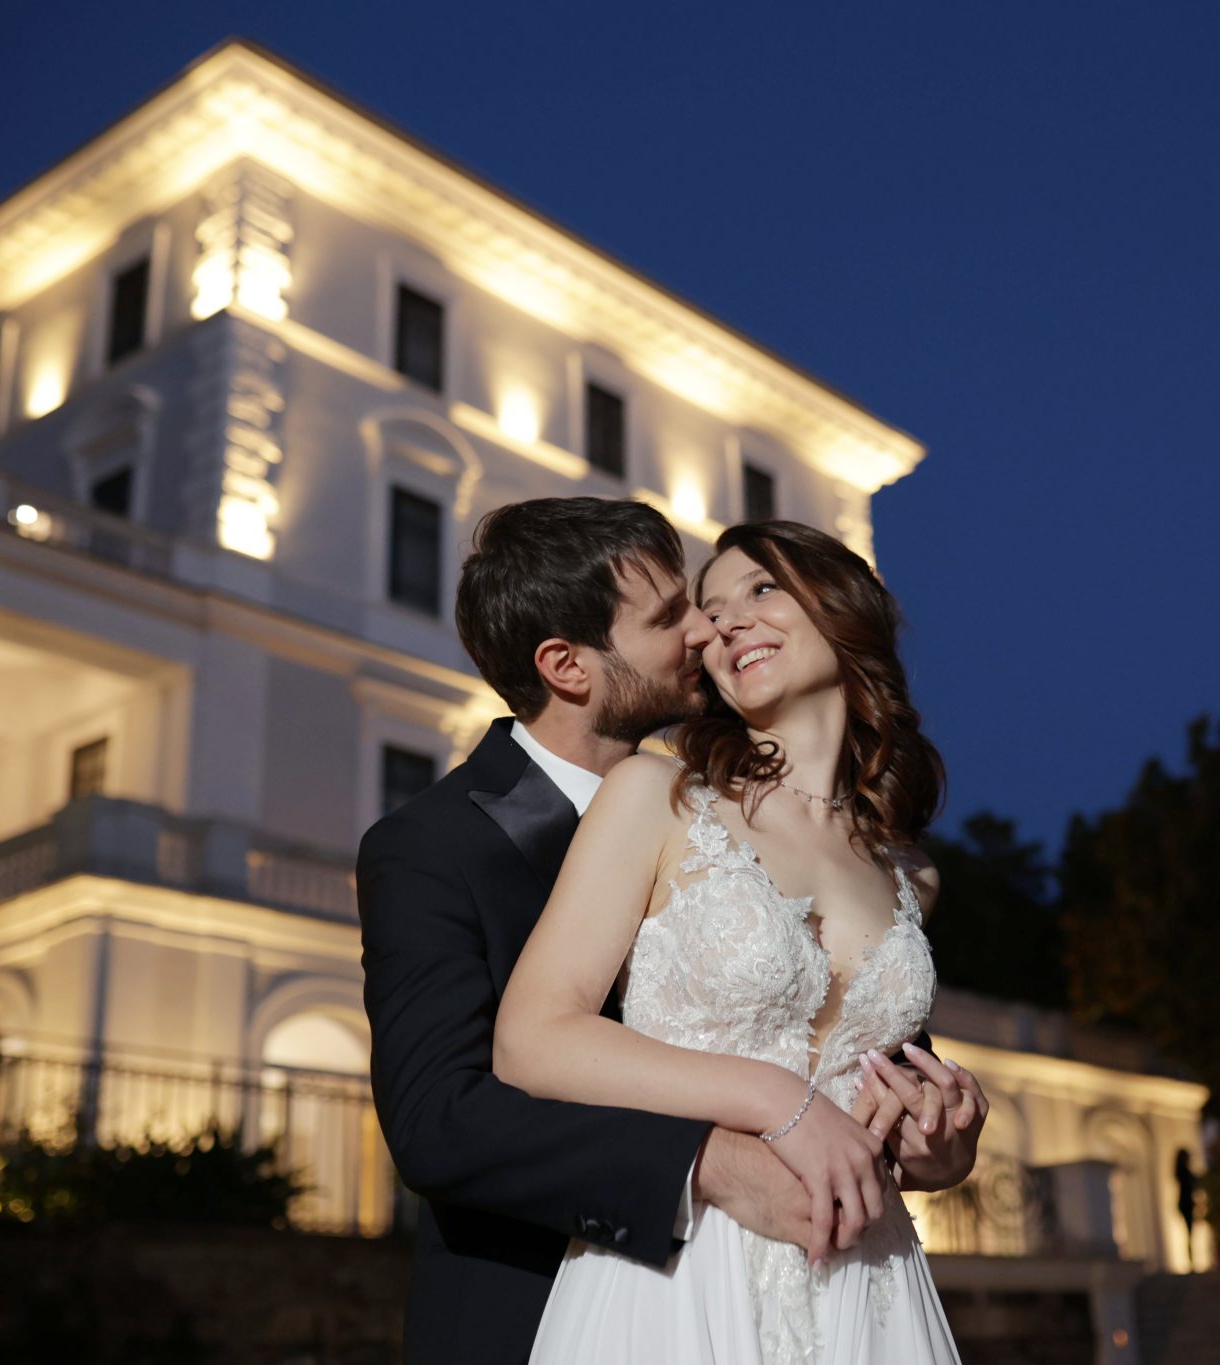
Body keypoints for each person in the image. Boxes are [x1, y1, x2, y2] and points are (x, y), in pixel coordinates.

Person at [357, 500, 984, 1365]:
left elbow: (851, 1063)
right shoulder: (435, 845)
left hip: (852, 1288)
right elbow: (442, 1120)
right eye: (673, 615)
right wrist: (706, 1158)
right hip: (584, 1300)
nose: (705, 630)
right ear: (567, 666)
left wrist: (936, 1141)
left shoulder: (877, 859)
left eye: (722, 603)